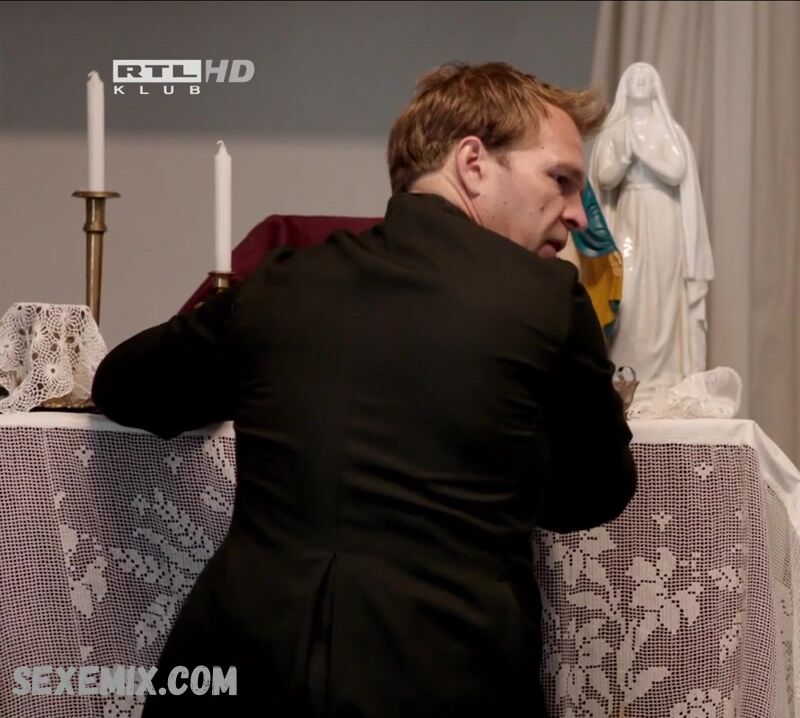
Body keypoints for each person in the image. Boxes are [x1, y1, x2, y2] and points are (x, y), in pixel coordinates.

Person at [91, 62, 637, 717]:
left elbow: (124, 386)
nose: (576, 212)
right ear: (473, 164)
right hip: (443, 675)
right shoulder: (548, 300)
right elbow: (594, 492)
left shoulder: (282, 285)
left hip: (243, 667)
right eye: (561, 180)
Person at [588, 62, 714, 391]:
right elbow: (603, 177)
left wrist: (643, 152)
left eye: (647, 77)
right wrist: (625, 158)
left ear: (656, 87)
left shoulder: (668, 130)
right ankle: (626, 372)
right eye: (635, 77)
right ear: (625, 87)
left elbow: (676, 171)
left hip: (663, 214)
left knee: (664, 289)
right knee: (627, 290)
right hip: (629, 211)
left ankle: (665, 376)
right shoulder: (615, 132)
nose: (642, 81)